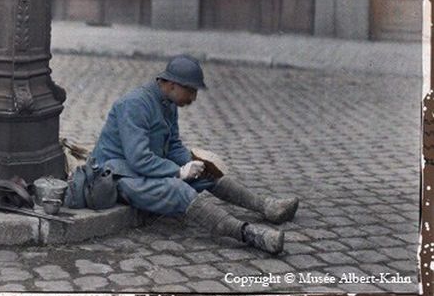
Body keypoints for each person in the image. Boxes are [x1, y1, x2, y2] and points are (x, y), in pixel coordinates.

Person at [90, 54, 299, 255]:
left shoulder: (167, 103)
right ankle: (249, 234)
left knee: (207, 174)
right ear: (171, 84)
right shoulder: (135, 104)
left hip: (141, 171)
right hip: (116, 177)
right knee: (177, 188)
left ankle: (266, 206)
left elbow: (172, 145)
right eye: (190, 91)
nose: (193, 98)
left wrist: (196, 164)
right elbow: (139, 159)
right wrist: (179, 172)